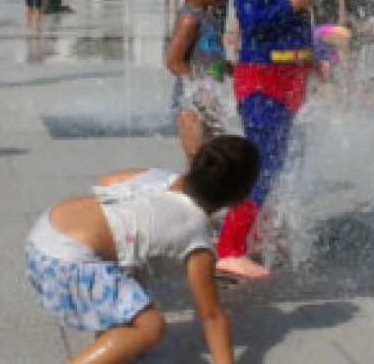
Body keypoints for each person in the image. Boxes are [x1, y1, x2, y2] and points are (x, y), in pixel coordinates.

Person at [25, 135, 260, 364]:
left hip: (46, 227)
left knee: (133, 265)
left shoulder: (159, 177)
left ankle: (117, 334)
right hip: (66, 259)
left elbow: (107, 181)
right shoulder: (195, 233)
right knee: (151, 326)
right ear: (239, 200)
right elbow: (211, 317)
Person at [215, 0, 313, 279]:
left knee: (279, 160)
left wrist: (314, 56)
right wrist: (290, 3)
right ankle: (229, 247)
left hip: (292, 73)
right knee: (261, 163)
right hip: (262, 77)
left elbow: (305, 20)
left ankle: (260, 234)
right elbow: (251, 23)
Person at [164, 0, 231, 160]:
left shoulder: (207, 16)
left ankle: (204, 193)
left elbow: (210, 55)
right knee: (198, 157)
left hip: (209, 98)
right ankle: (190, 191)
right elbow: (173, 61)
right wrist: (200, 85)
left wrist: (231, 69)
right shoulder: (189, 18)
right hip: (190, 103)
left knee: (213, 157)